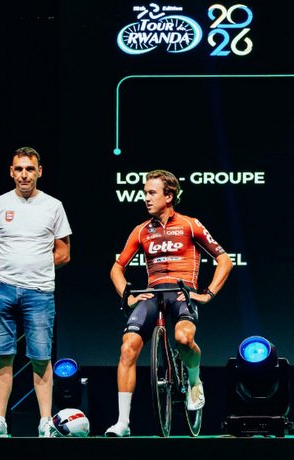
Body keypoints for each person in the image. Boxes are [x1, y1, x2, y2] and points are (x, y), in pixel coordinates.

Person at [104, 170, 232, 437]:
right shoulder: (141, 230)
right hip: (152, 293)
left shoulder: (190, 225)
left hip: (182, 292)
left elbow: (224, 261)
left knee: (184, 339)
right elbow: (116, 268)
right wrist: (128, 296)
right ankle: (123, 422)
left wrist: (207, 294)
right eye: (145, 193)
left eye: (152, 193)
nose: (146, 198)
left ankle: (194, 380)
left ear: (169, 196)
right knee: (127, 348)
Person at [0, 147, 72, 437]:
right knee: (1, 355)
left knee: (41, 357)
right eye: (19, 169)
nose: (24, 175)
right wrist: (10, 268)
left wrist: (35, 268)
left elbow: (63, 253)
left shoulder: (53, 206)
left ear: (39, 172)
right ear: (11, 172)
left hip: (39, 292)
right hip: (1, 289)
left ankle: (45, 421)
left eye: (29, 169)